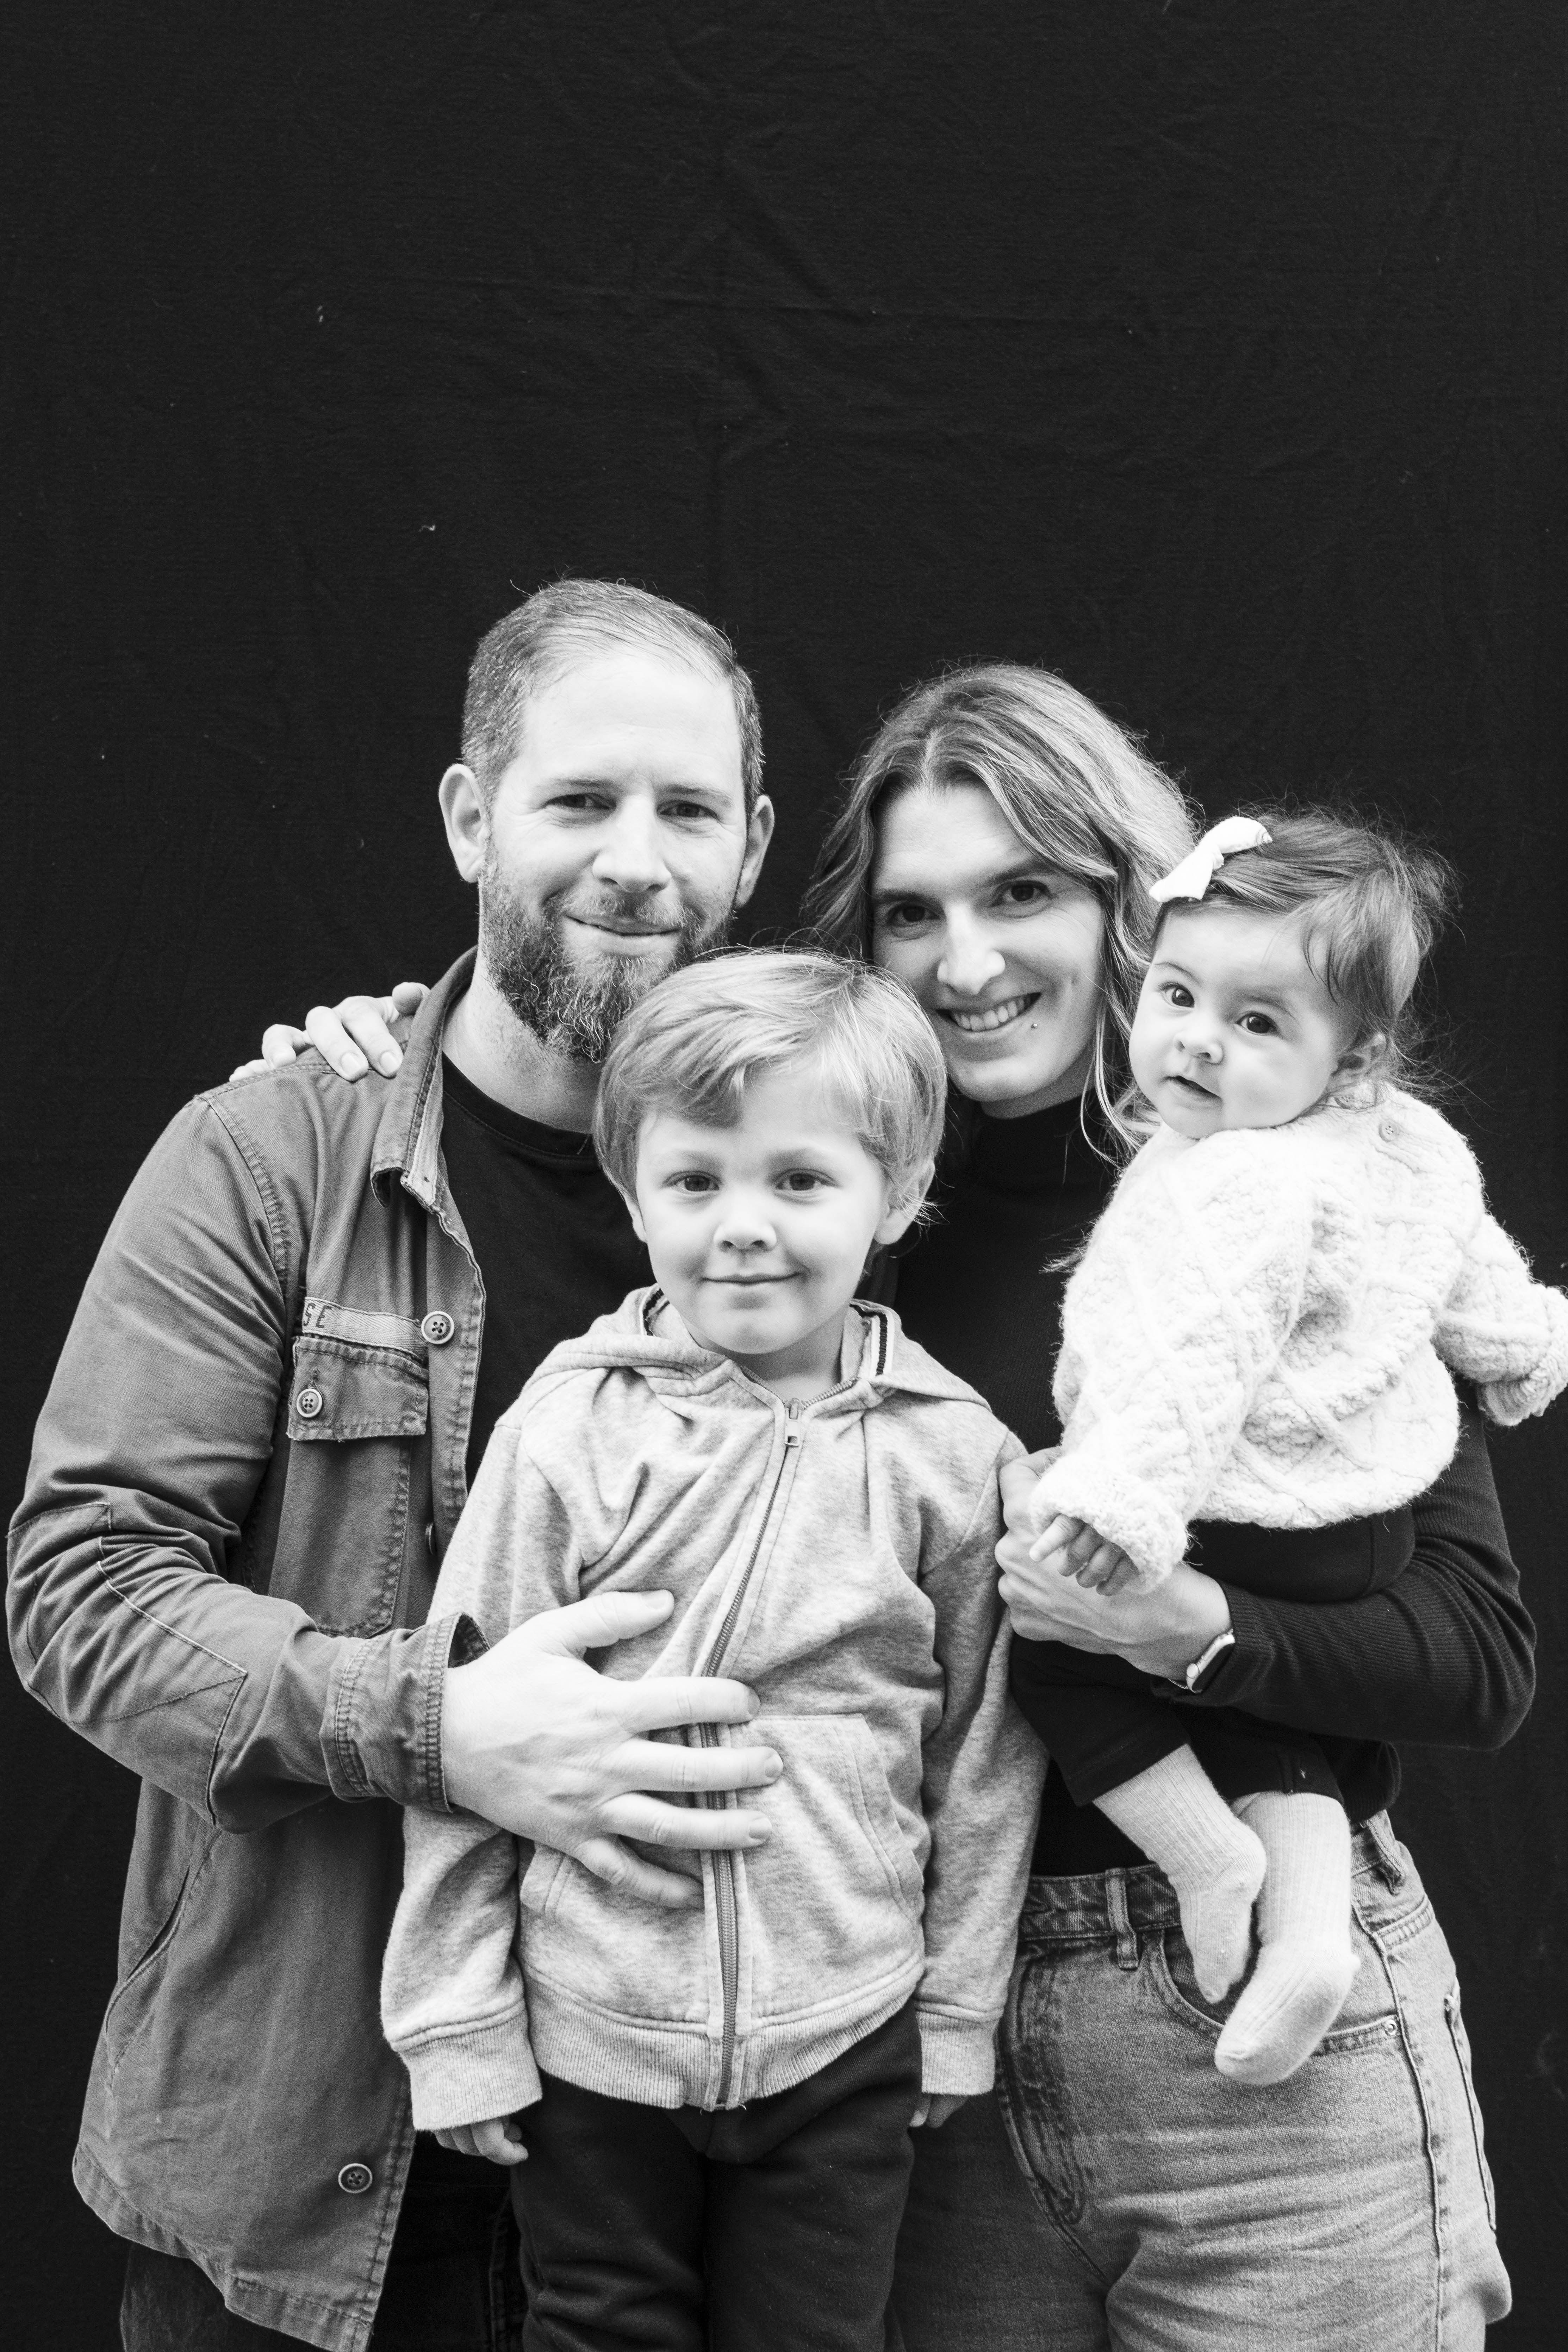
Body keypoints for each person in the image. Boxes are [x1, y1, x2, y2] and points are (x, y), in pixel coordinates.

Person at [278, 662, 1528, 2348]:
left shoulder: (1298, 1182)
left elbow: (1477, 1653)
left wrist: (1189, 1628)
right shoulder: (821, 1214)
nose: (969, 958)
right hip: (906, 2050)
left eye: (1023, 893)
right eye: (913, 911)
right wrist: (384, 1060)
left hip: (1253, 2026)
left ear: (1136, 901)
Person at [7, 580, 797, 2352]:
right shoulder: (275, 1156)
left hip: (697, 2168)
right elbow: (79, 1590)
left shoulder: (833, 1192)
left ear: (751, 844)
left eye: (686, 809)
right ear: (469, 819)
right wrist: (435, 1725)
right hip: (317, 2174)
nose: (636, 861)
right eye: (579, 800)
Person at [380, 951, 1043, 2351]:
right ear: (632, 1198)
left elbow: (985, 1748)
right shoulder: (568, 1429)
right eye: (694, 1181)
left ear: (898, 1193)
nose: (743, 1227)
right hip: (595, 2025)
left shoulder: (950, 1452)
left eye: (799, 1179)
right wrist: (455, 2019)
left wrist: (955, 2003)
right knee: (598, 2329)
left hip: (848, 2025)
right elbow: (462, 1725)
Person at [1014, 807, 1568, 2085]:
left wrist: (1117, 1504)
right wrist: (1523, 1348)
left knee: (1052, 1649)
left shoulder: (1235, 1183)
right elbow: (1465, 1259)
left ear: (1351, 1056)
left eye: (1257, 1023)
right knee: (1275, 1721)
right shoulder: (1396, 1139)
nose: (1198, 1041)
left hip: (1236, 1510)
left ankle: (1208, 1856)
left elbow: (1193, 1364)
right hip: (1349, 1528)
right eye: (1177, 995)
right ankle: (1310, 1934)